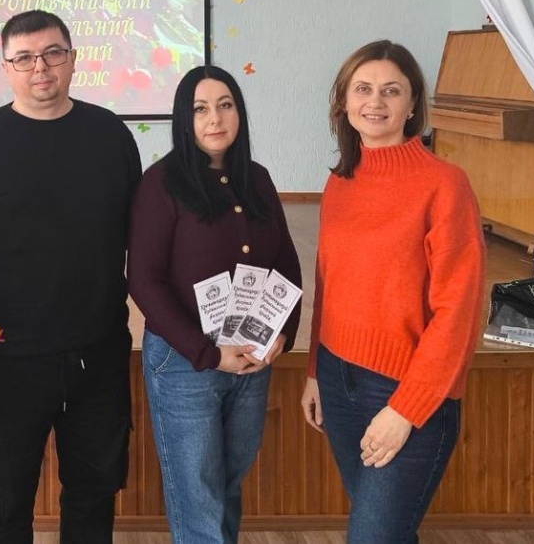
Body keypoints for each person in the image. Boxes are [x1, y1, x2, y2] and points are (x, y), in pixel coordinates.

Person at [0, 9, 142, 544]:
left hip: (98, 356)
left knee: (93, 498)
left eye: (52, 53)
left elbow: (136, 237)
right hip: (9, 360)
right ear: (5, 68)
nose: (40, 67)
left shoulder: (111, 136)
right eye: (24, 58)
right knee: (2, 509)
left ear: (73, 59)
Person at [300, 41, 486, 543]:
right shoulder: (341, 182)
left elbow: (459, 311)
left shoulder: (445, 184)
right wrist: (315, 370)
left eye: (391, 90)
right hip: (337, 379)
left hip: (405, 388)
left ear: (412, 103)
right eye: (363, 89)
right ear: (344, 101)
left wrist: (406, 408)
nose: (375, 102)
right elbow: (329, 284)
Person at [127, 65, 302, 544]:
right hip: (187, 361)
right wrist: (207, 353)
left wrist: (283, 334)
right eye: (200, 109)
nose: (215, 119)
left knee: (227, 484)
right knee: (198, 497)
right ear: (184, 119)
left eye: (225, 105)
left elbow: (285, 263)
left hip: (251, 357)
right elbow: (144, 280)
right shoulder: (161, 183)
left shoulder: (258, 179)